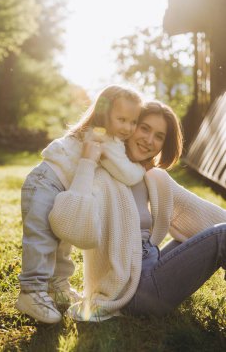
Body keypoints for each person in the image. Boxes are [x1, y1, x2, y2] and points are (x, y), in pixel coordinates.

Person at [48, 100, 226, 321]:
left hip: (152, 268)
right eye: (145, 128)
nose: (149, 140)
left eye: (159, 136)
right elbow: (69, 225)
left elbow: (202, 215)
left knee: (205, 233)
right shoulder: (101, 174)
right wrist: (86, 163)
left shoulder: (153, 177)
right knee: (222, 236)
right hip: (134, 292)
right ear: (130, 128)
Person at [16, 85, 145, 323]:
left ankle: (57, 287)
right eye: (122, 119)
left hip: (59, 186)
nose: (128, 127)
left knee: (61, 242)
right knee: (42, 239)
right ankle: (31, 291)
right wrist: (143, 167)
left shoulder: (101, 134)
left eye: (133, 121)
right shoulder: (104, 138)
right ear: (105, 114)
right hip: (46, 183)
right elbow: (127, 174)